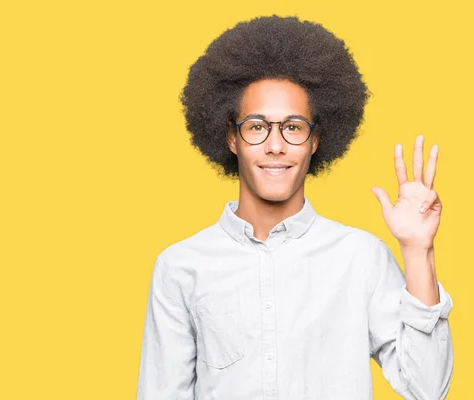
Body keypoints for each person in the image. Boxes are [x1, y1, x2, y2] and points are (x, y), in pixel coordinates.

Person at [136, 15, 453, 400]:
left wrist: (419, 252)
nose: (275, 145)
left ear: (315, 140)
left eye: (293, 127)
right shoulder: (181, 267)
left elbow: (428, 389)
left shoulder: (361, 258)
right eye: (256, 126)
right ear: (231, 138)